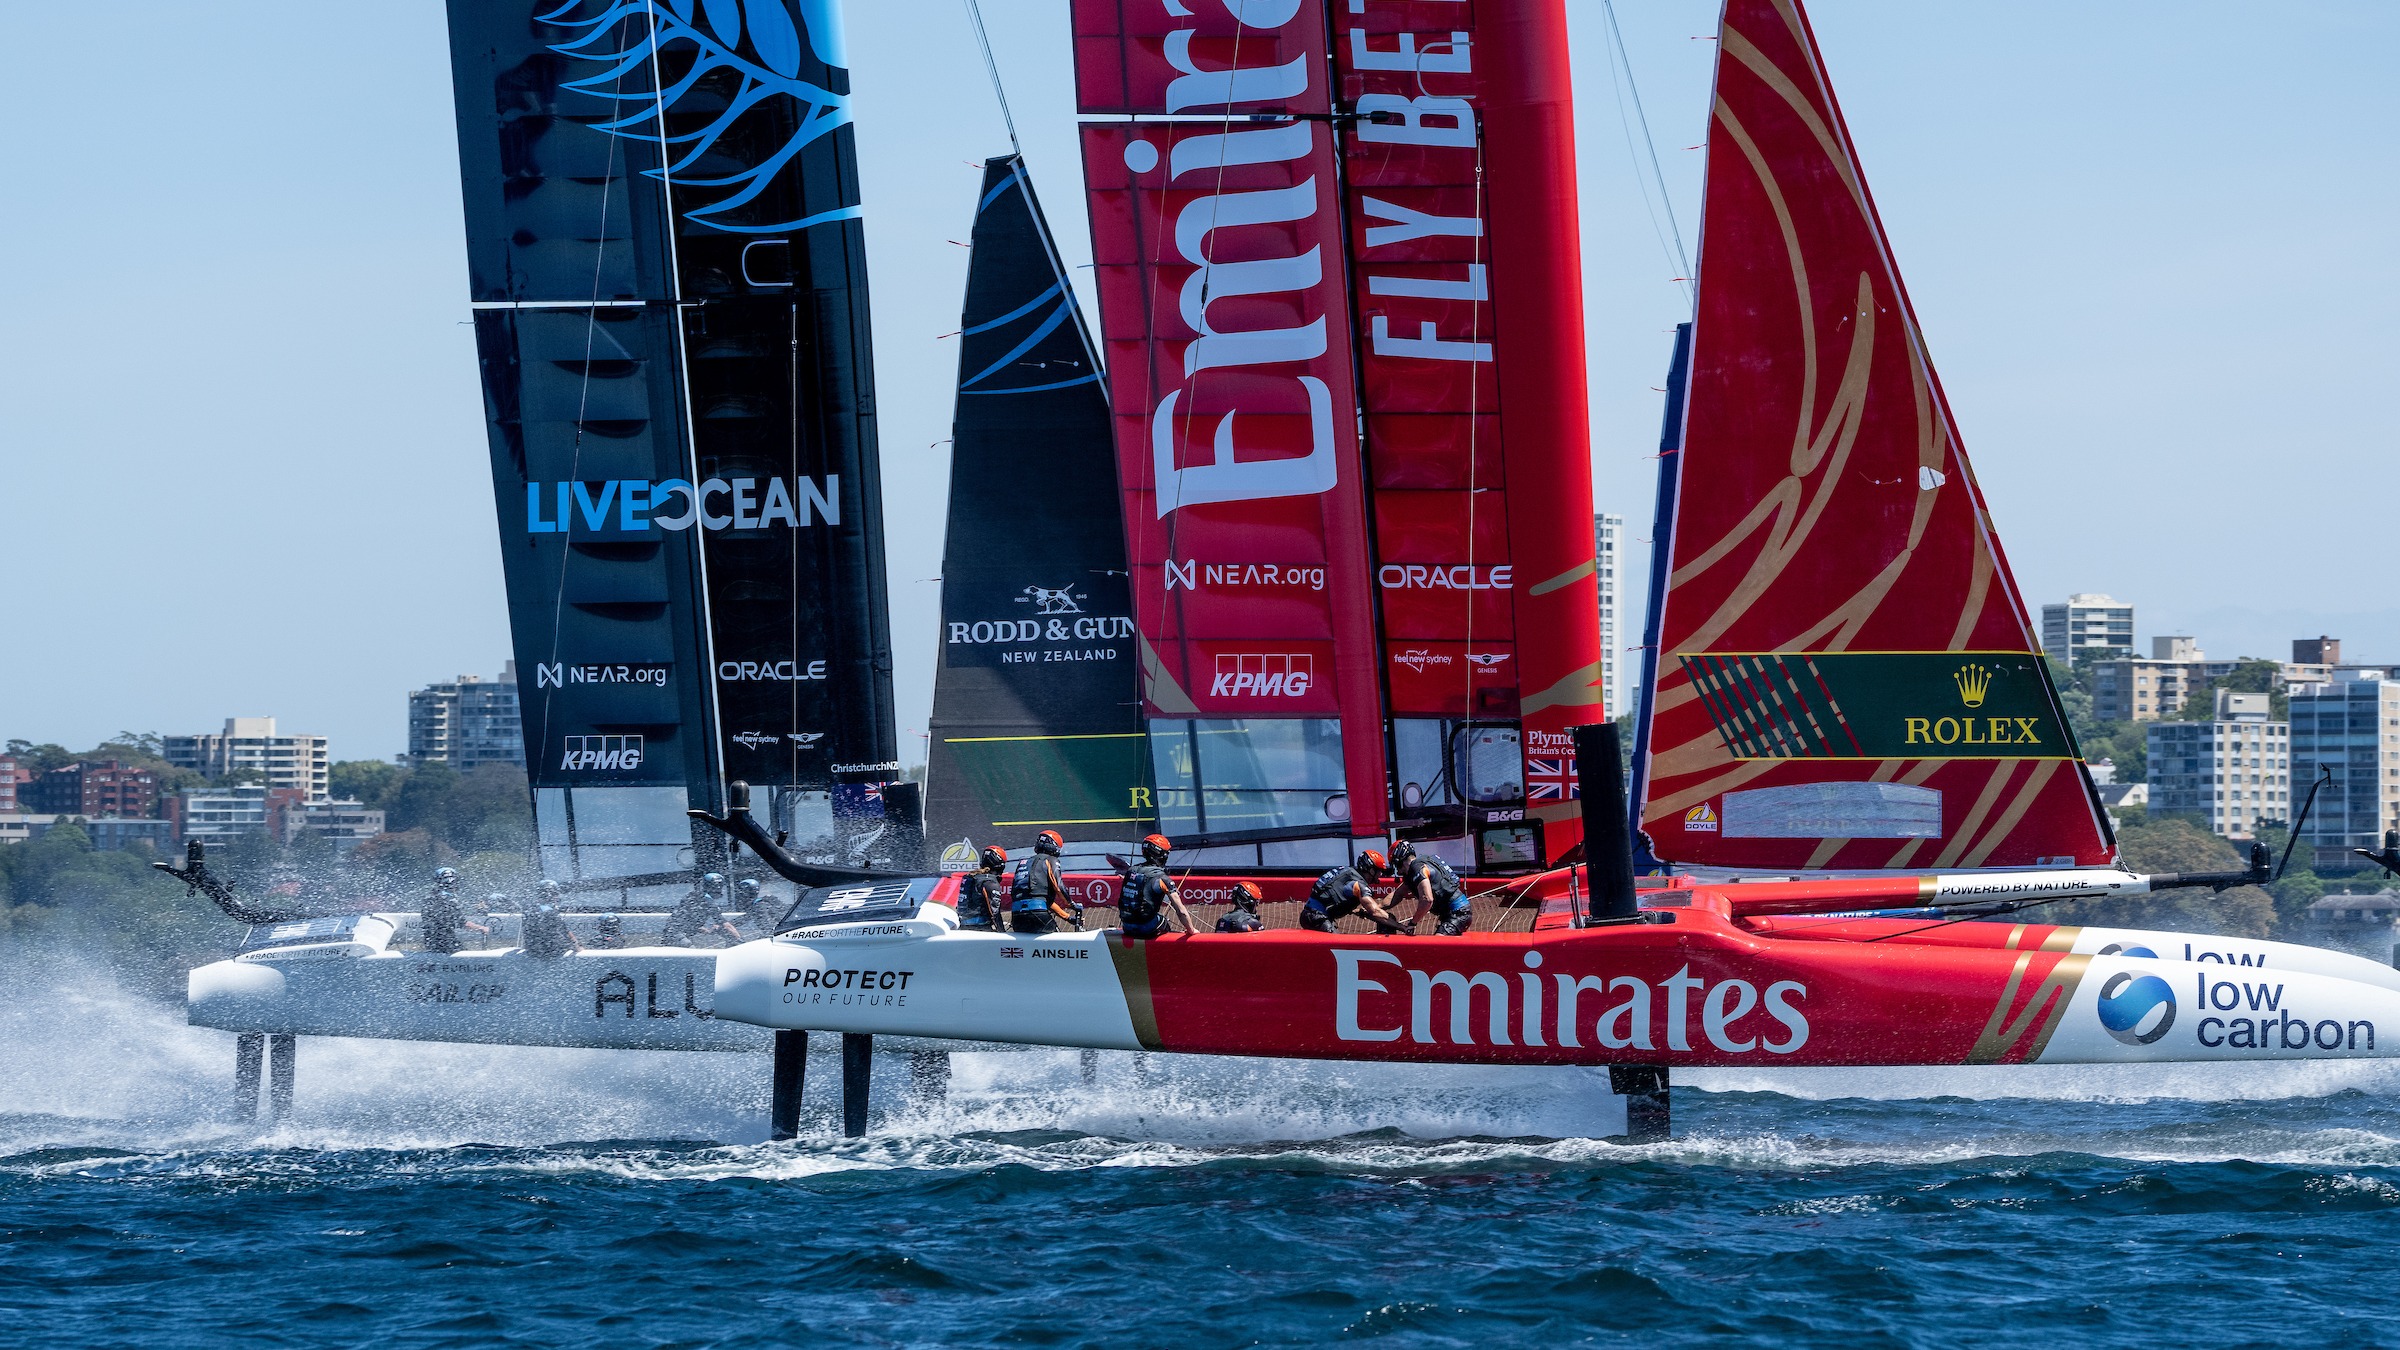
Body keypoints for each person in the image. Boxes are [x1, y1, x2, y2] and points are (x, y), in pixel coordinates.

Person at [1301, 850, 1407, 934]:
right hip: (1318, 919)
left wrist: (1356, 910)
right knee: (1340, 948)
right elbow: (1375, 911)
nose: (1380, 875)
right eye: (1379, 871)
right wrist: (1401, 927)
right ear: (1371, 870)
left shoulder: (1347, 873)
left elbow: (1333, 896)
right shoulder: (1358, 884)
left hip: (1309, 915)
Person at [1116, 834, 1197, 940]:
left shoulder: (1131, 871)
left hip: (1126, 926)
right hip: (1145, 928)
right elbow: (1181, 911)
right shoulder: (1162, 878)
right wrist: (1191, 930)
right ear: (1162, 855)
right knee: (1163, 921)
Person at [1391, 840, 1472, 936]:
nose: (1399, 872)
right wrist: (1376, 908)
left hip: (1458, 913)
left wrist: (1412, 923)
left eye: (1396, 866)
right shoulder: (1422, 863)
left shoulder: (1417, 868)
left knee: (1437, 944)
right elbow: (1398, 893)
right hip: (1458, 911)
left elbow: (1427, 900)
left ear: (1399, 862)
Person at [1009, 831, 1077, 935]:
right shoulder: (1051, 860)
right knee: (1057, 945)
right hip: (1037, 913)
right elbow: (1059, 887)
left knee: (1027, 948)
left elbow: (1039, 899)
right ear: (1054, 847)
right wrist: (1071, 904)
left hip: (1017, 916)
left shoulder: (1023, 863)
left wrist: (1067, 917)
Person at [419, 867, 489, 955]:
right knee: (468, 958)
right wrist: (481, 928)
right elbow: (463, 923)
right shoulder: (449, 900)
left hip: (430, 941)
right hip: (446, 943)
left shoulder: (429, 898)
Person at [663, 871, 744, 947]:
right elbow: (726, 926)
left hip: (669, 933)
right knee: (695, 958)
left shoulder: (691, 896)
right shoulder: (709, 903)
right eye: (718, 887)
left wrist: (705, 930)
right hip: (679, 936)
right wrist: (740, 941)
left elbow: (684, 918)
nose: (719, 890)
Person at [956, 845, 1009, 931]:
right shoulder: (990, 882)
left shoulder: (969, 877)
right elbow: (994, 912)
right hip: (980, 929)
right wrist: (1003, 934)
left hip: (963, 927)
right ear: (1000, 865)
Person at [521, 894, 582, 959]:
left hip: (533, 950)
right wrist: (577, 946)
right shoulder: (550, 911)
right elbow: (565, 931)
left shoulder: (528, 911)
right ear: (552, 896)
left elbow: (525, 932)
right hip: (550, 951)